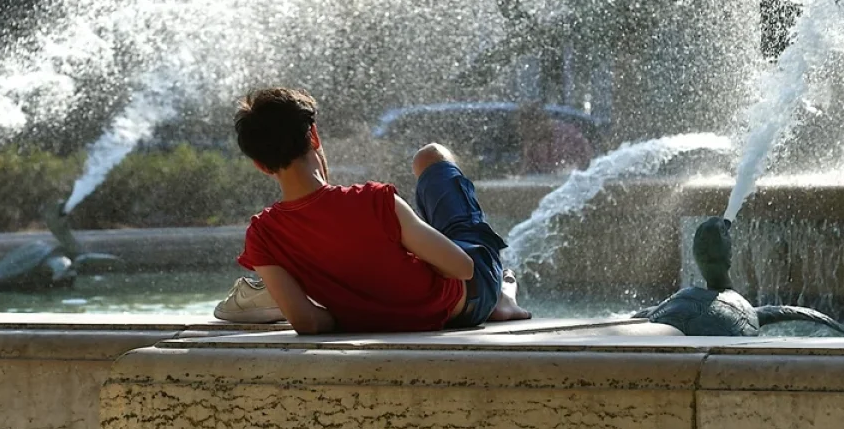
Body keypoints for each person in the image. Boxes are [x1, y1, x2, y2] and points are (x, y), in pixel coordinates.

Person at [215, 87, 531, 334]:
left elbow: (306, 320)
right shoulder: (373, 200)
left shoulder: (262, 235)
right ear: (313, 135)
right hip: (469, 302)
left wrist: (367, 311)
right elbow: (463, 268)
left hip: (417, 316)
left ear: (259, 164)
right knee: (430, 156)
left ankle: (498, 296)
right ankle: (502, 297)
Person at [517, 101, 594, 174]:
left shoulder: (565, 136)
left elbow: (569, 169)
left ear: (540, 121)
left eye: (529, 128)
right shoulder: (533, 141)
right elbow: (528, 170)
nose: (526, 134)